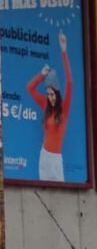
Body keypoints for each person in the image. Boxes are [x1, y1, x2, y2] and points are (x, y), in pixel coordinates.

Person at [26, 32, 72, 183]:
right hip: (44, 157)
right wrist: (42, 74)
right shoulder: (46, 103)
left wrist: (64, 51)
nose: (50, 97)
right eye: (48, 94)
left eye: (52, 94)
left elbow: (70, 82)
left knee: (61, 192)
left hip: (56, 159)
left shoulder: (64, 108)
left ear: (57, 93)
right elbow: (30, 88)